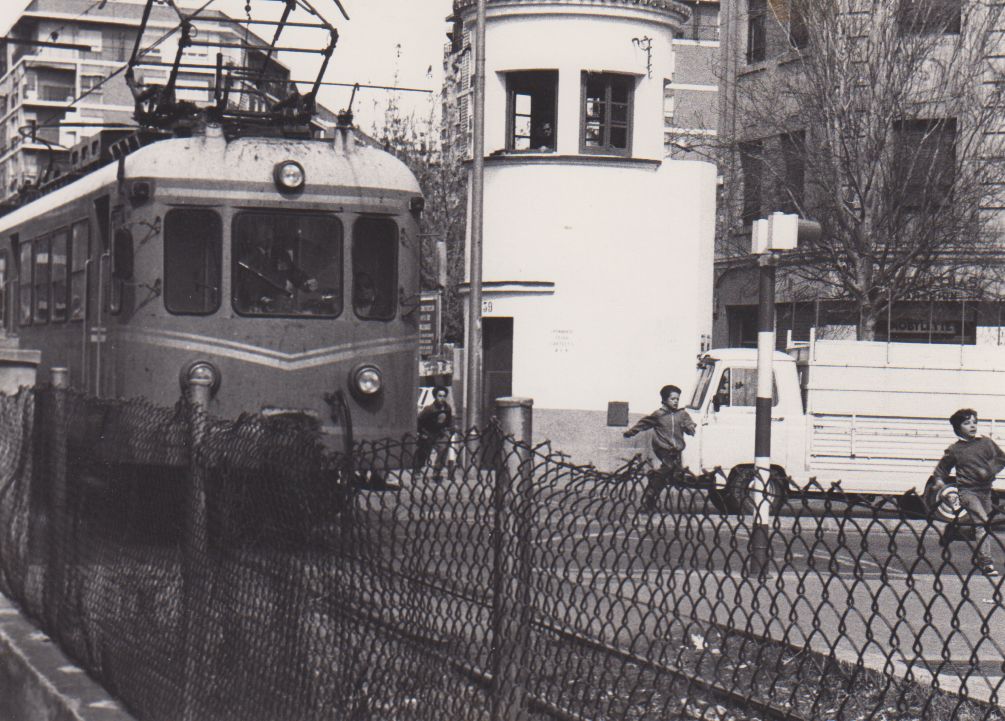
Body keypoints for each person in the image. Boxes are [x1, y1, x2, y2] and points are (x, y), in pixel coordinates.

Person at [929, 408, 1005, 577]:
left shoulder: (986, 443)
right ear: (957, 428)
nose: (972, 426)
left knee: (983, 525)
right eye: (967, 423)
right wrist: (939, 480)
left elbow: (1001, 459)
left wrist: (990, 470)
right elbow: (942, 468)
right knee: (982, 524)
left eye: (974, 422)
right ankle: (986, 563)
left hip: (986, 492)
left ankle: (955, 531)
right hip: (967, 492)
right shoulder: (955, 449)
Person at [624, 384, 696, 512]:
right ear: (664, 400)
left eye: (677, 399)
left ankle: (650, 500)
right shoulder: (659, 415)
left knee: (669, 476)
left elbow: (689, 424)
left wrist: (690, 428)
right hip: (662, 449)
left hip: (676, 450)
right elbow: (644, 424)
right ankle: (651, 492)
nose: (676, 401)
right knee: (668, 467)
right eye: (672, 399)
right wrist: (631, 432)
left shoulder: (682, 414)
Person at [416, 385, 457, 482]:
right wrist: (421, 433)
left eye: (443, 396)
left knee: (443, 450)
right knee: (424, 453)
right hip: (428, 433)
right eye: (439, 396)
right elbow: (419, 421)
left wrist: (449, 429)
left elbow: (449, 421)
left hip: (440, 433)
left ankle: (437, 472)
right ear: (435, 396)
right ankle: (417, 470)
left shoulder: (447, 408)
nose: (441, 398)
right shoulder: (429, 409)